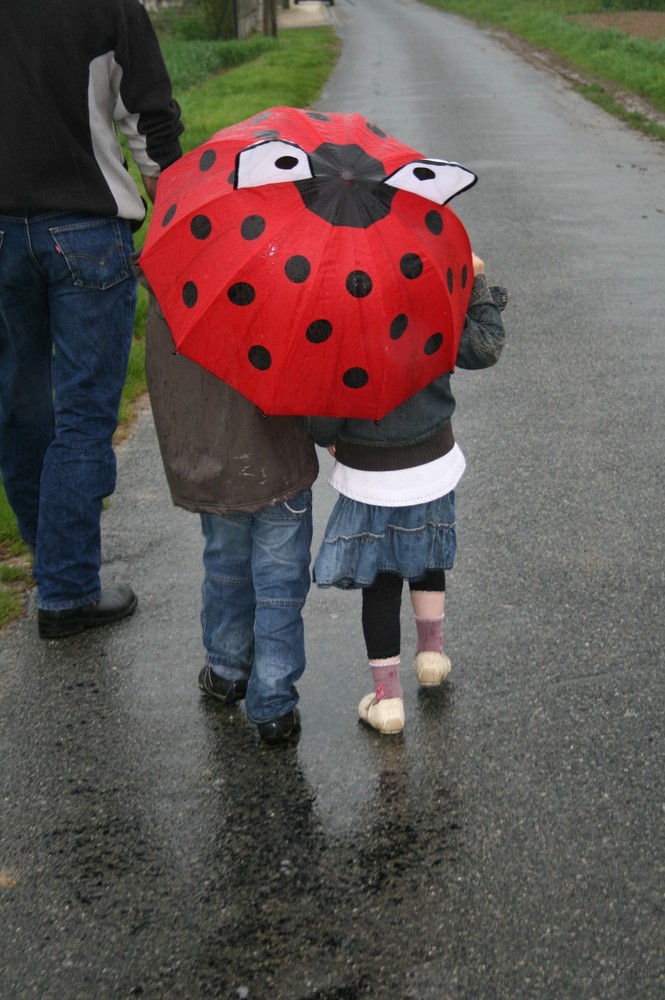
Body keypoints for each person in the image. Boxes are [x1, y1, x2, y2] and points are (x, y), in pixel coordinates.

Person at [0, 0, 183, 639]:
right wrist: (175, 205)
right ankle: (68, 589)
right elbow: (148, 117)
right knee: (82, 417)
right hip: (83, 226)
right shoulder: (109, 6)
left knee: (18, 405)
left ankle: (48, 554)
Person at [308, 254, 506, 734]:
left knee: (381, 577)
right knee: (426, 549)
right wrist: (476, 281)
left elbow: (323, 403)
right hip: (431, 456)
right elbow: (485, 346)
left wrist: (327, 433)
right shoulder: (429, 290)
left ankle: (387, 699)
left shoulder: (339, 301)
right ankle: (432, 656)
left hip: (371, 468)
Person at [141, 288, 319, 745]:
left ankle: (225, 669)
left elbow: (167, 384)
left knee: (225, 564)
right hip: (280, 457)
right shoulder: (290, 273)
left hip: (218, 462)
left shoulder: (177, 290)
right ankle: (274, 701)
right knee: (279, 583)